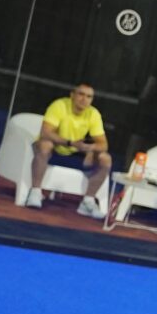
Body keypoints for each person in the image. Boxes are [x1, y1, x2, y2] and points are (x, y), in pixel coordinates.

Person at [29, 81, 112, 216]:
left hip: (75, 152)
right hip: (54, 149)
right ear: (72, 95)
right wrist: (70, 142)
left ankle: (88, 201)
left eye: (89, 97)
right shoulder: (59, 105)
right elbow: (46, 133)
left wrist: (89, 147)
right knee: (45, 145)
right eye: (81, 94)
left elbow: (104, 145)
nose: (84, 99)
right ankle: (35, 192)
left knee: (105, 158)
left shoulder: (93, 113)